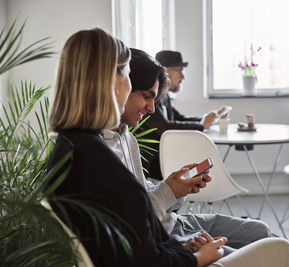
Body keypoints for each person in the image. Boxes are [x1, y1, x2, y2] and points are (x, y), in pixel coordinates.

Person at [103, 48, 289, 266]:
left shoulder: (127, 138)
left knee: (262, 231)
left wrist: (177, 189)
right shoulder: (99, 153)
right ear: (120, 88)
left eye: (154, 98)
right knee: (278, 250)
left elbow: (145, 197)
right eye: (146, 96)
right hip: (165, 236)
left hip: (173, 222)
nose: (151, 108)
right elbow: (135, 222)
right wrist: (169, 192)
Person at [46, 28, 226, 267]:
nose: (150, 107)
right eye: (128, 75)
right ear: (112, 80)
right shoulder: (99, 160)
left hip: (173, 250)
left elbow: (130, 243)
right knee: (279, 249)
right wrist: (197, 258)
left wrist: (183, 250)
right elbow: (144, 259)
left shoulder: (70, 148)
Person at [141, 50, 228, 179]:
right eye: (179, 71)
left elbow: (178, 118)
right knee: (202, 162)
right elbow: (164, 127)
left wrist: (205, 120)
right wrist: (202, 125)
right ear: (164, 72)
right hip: (154, 165)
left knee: (203, 162)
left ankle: (197, 189)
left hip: (167, 158)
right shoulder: (152, 98)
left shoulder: (164, 96)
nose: (183, 77)